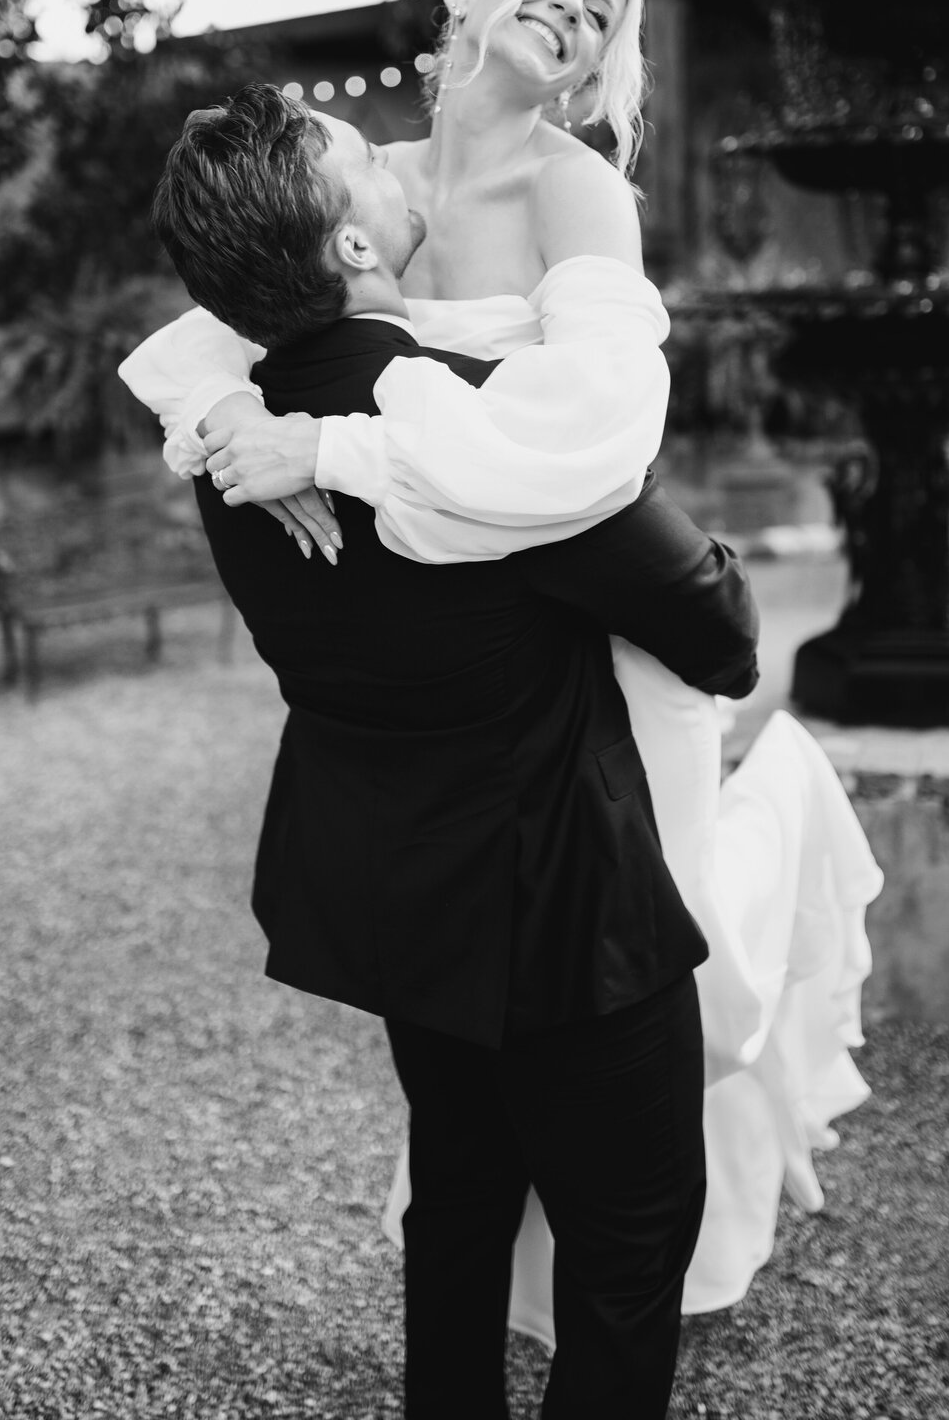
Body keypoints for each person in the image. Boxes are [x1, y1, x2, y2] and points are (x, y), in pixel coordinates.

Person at [120, 0, 882, 1322]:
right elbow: (209, 325)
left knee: (646, 946)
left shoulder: (576, 189)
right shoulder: (364, 182)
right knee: (503, 1074)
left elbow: (584, 440)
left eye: (603, 10)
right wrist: (229, 410)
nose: (574, 10)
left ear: (602, 69)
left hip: (575, 585)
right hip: (450, 683)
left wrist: (330, 449)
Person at [144, 80, 760, 1418]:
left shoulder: (234, 443)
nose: (393, 159)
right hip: (569, 916)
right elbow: (715, 624)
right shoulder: (481, 420)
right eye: (366, 157)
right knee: (627, 1240)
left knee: (461, 1207)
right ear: (356, 244)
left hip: (400, 904)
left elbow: (207, 333)